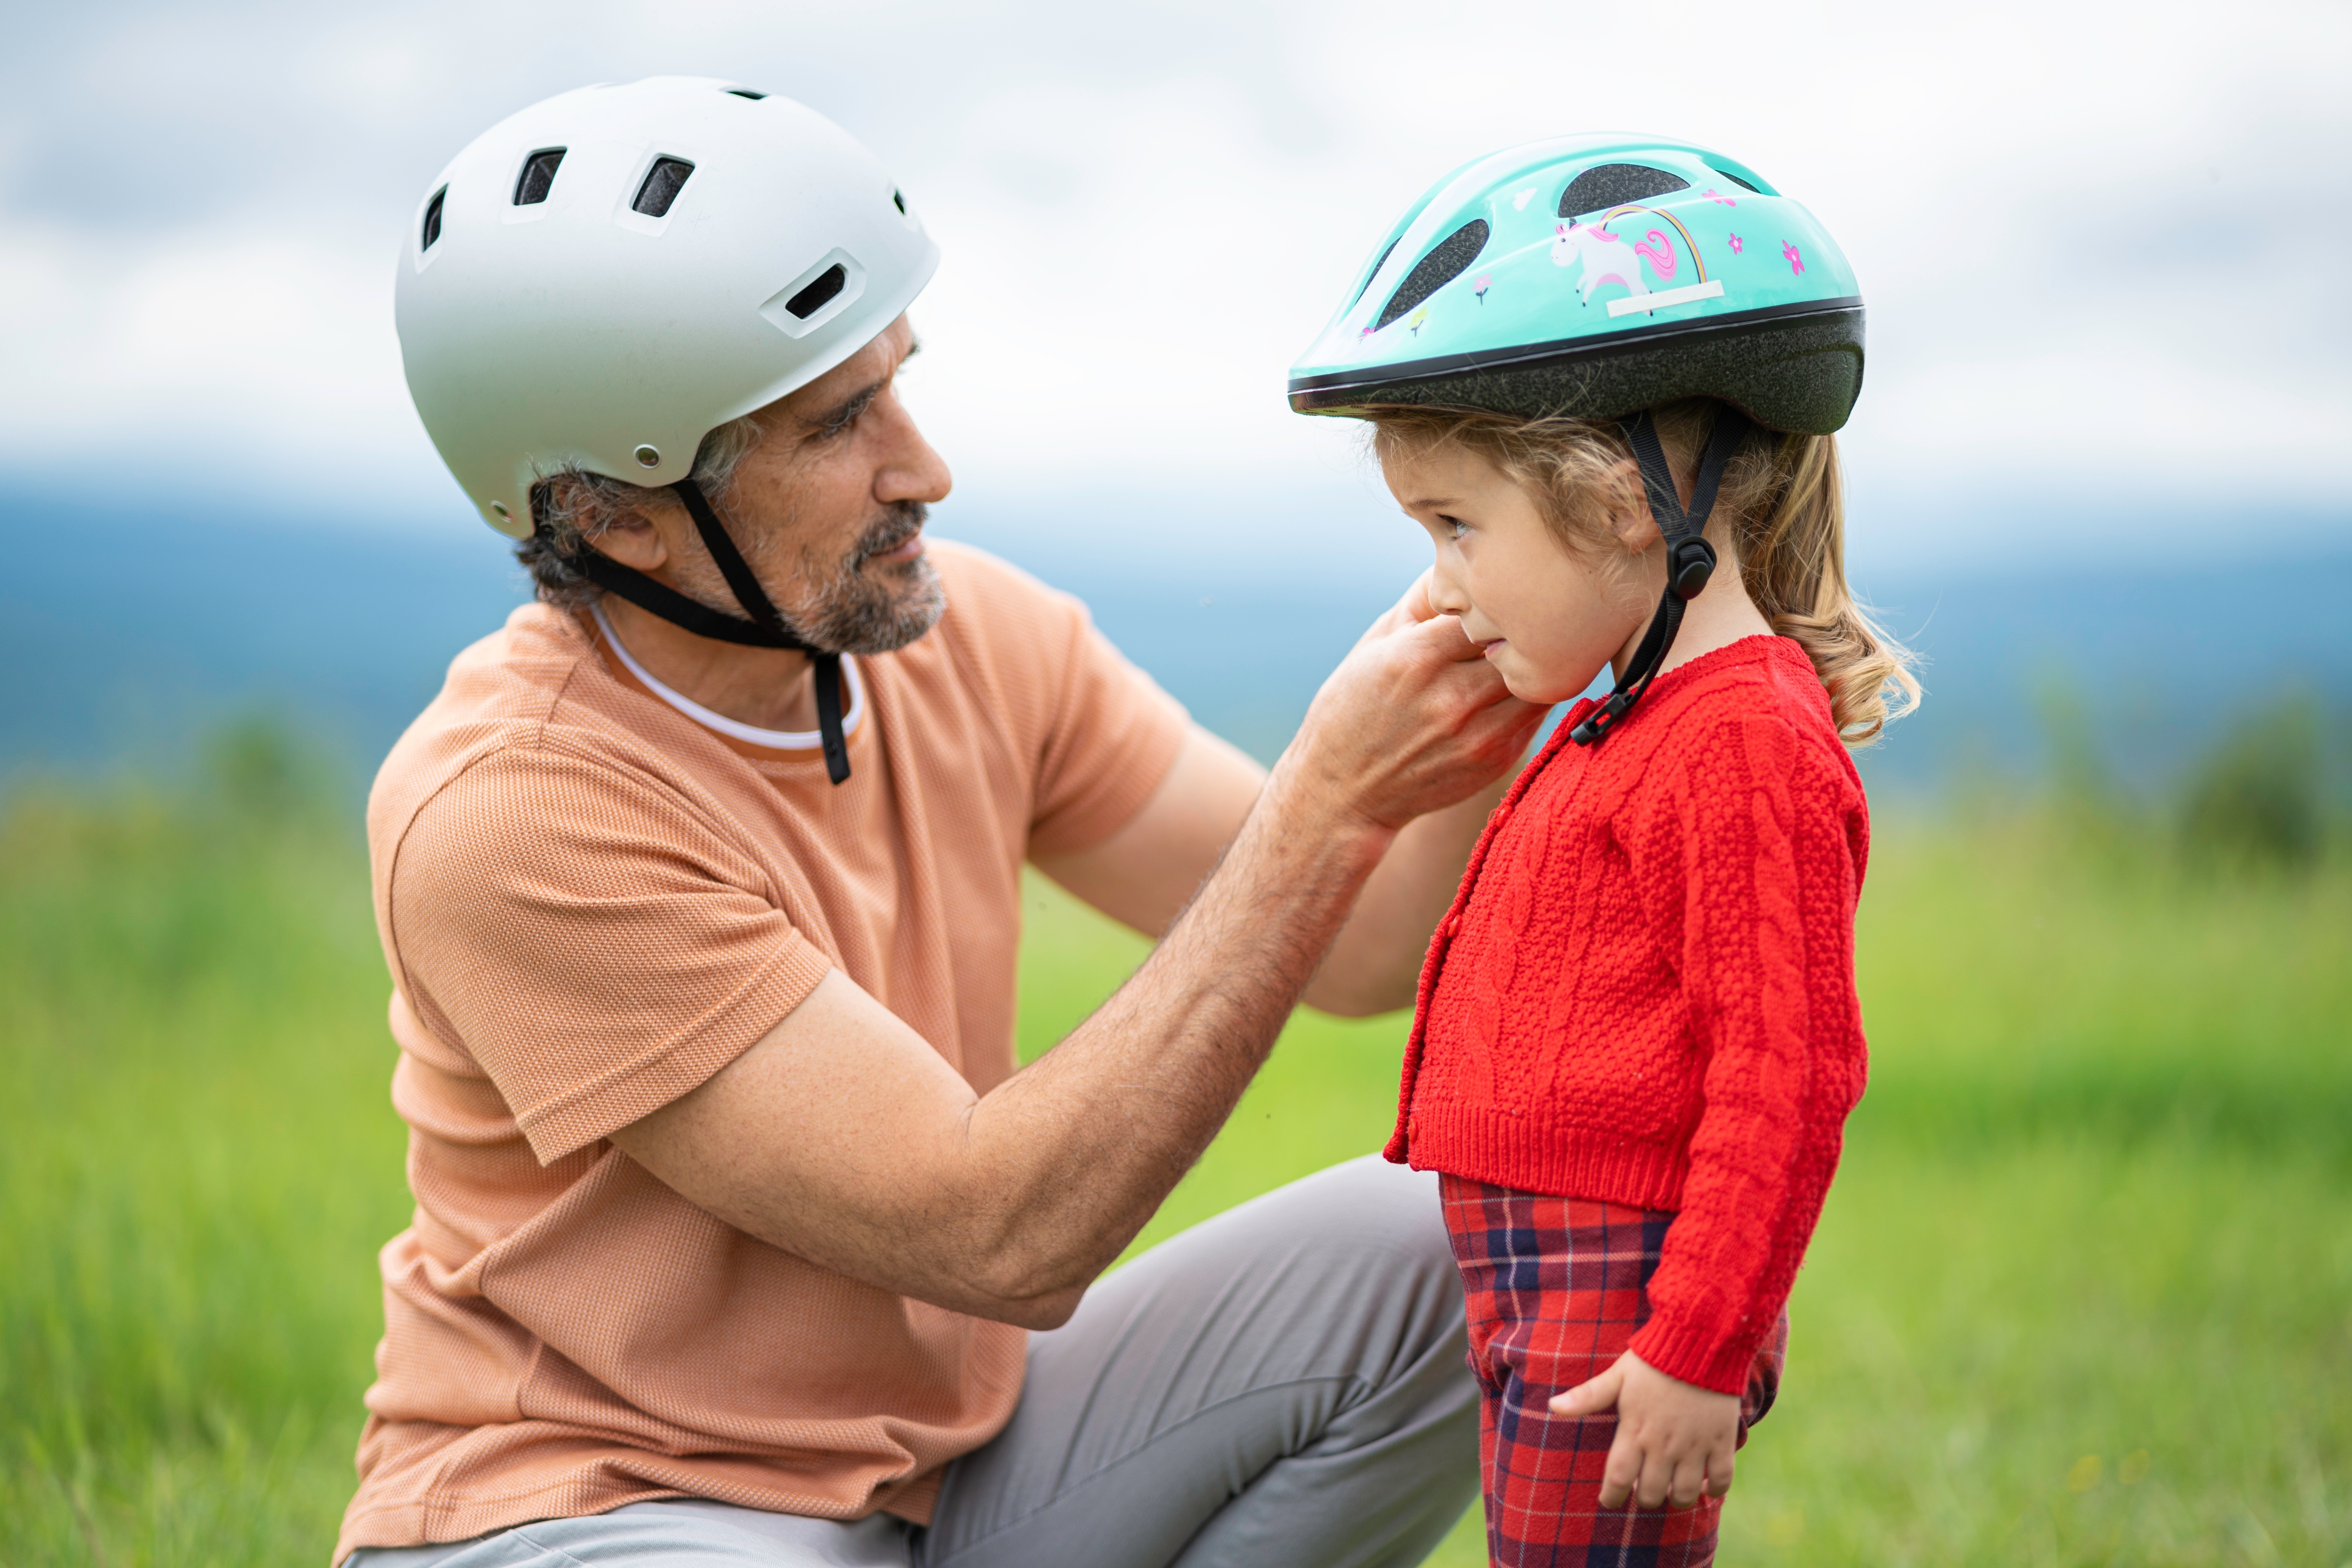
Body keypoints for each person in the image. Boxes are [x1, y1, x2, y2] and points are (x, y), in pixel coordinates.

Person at [342, 78, 1547, 1568]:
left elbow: (1363, 943)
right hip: (616, 1507)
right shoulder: (514, 815)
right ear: (617, 517)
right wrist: (1322, 798)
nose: (925, 467)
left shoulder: (968, 638)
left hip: (957, 1475)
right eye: (844, 423)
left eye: (900, 382)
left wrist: (1520, 625)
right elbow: (998, 1233)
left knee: (1464, 1240)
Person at [1284, 136, 1919, 1565]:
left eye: (1455, 527)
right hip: (1539, 1259)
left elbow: (1788, 1067)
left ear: (1624, 502)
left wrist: (1699, 1345)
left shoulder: (1737, 736)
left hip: (1621, 1280)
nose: (1436, 585)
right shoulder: (1627, 710)